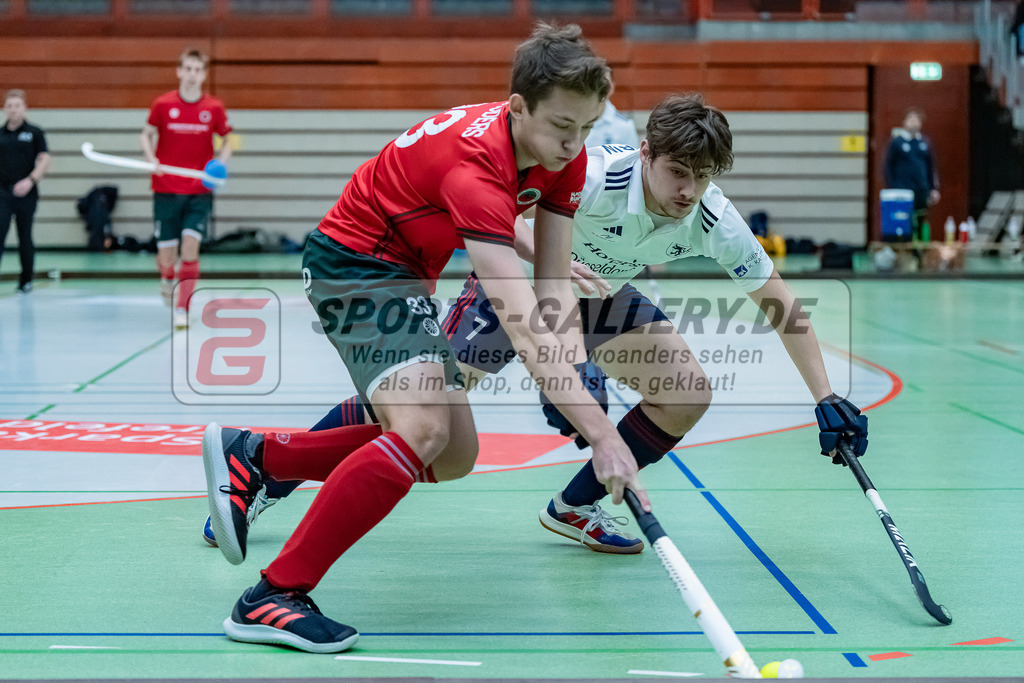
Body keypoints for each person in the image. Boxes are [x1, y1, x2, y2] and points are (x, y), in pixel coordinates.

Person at [202, 94, 869, 559]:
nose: (688, 190)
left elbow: (780, 303)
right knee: (423, 408)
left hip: (601, 294)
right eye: (678, 173)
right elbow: (512, 223)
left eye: (703, 177)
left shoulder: (714, 219)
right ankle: (266, 473)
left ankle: (575, 508)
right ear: (645, 153)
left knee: (687, 387)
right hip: (519, 285)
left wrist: (825, 396)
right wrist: (564, 344)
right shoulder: (599, 175)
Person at [200, 23, 647, 654]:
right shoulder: (475, 167)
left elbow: (551, 292)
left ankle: (261, 456)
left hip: (404, 272)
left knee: (453, 453)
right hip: (353, 265)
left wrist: (583, 379)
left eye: (585, 128)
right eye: (561, 127)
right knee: (424, 430)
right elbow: (518, 316)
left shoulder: (560, 155)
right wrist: (603, 437)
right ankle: (274, 594)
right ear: (518, 107)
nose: (573, 145)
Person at [141, 48, 233, 328]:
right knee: (167, 257)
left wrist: (219, 165)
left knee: (190, 249)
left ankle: (183, 308)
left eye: (197, 70)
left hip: (198, 193)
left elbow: (228, 139)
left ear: (204, 75)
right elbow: (146, 133)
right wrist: (151, 159)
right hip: (166, 188)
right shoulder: (162, 104)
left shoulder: (213, 108)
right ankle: (167, 275)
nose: (192, 74)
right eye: (188, 69)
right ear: (179, 71)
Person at [0, 89, 50, 295]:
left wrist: (31, 180)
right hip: (3, 192)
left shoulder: (35, 133)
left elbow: (44, 159)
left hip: (26, 193)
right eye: (9, 106)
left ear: (24, 109)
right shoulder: (1, 134)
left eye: (17, 106)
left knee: (25, 236)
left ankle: (26, 281)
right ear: (4, 109)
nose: (13, 110)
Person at [884, 107, 939, 241]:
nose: (914, 122)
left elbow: (930, 167)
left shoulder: (924, 142)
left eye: (916, 120)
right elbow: (888, 166)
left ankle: (920, 254)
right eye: (911, 119)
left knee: (921, 222)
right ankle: (906, 252)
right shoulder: (897, 142)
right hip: (903, 191)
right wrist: (893, 186)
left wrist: (933, 189)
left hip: (921, 190)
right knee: (904, 222)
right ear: (905, 122)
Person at [584, 81, 638, 148]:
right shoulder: (575, 119)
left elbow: (632, 157)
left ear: (610, 88)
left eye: (604, 82)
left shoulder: (625, 125)